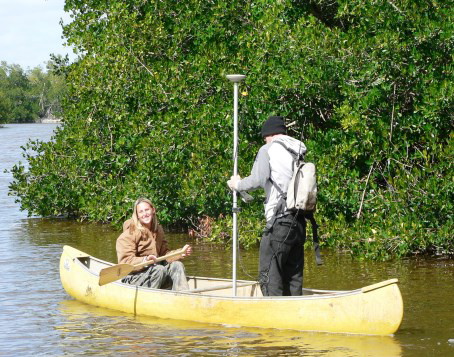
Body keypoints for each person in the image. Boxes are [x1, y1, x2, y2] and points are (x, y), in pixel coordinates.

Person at [227, 116, 307, 296]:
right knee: (293, 278)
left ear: (269, 135)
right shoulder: (297, 150)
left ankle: (273, 318)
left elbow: (258, 179)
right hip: (299, 223)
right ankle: (295, 316)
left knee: (269, 275)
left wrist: (237, 184)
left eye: (265, 137)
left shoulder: (268, 149)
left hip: (279, 223)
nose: (264, 140)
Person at [116, 197, 192, 290]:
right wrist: (145, 260)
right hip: (133, 278)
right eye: (141, 212)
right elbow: (125, 262)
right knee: (159, 269)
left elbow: (164, 255)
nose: (145, 214)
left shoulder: (158, 229)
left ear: (153, 210)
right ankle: (150, 300)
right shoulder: (130, 233)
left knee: (177, 265)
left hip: (155, 273)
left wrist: (180, 253)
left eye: (147, 210)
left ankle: (181, 295)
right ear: (137, 215)